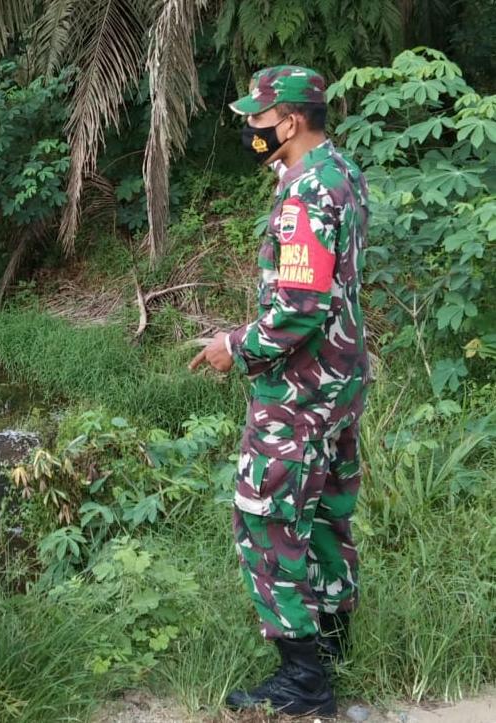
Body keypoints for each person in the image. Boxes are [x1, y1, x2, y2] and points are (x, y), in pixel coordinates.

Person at [188, 66, 370, 716]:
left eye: (258, 121)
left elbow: (295, 308)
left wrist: (231, 346)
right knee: (322, 516)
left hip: (299, 394)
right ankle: (332, 645)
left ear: (288, 121)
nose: (250, 130)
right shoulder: (341, 174)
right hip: (339, 382)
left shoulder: (305, 195)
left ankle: (303, 680)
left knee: (264, 523)